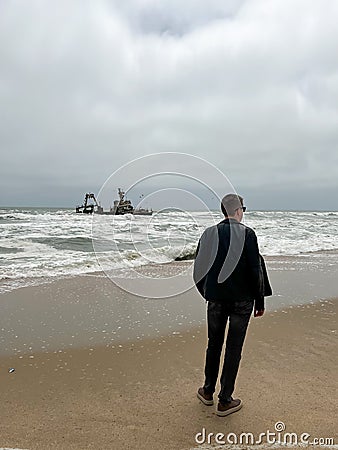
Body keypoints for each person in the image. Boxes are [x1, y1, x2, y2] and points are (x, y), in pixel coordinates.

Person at [193, 193, 272, 416]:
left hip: (215, 299)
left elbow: (198, 269)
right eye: (243, 209)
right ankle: (225, 400)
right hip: (242, 302)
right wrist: (260, 300)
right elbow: (254, 270)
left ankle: (207, 392)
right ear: (238, 210)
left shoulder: (209, 233)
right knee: (233, 349)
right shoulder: (248, 234)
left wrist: (207, 292)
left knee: (214, 344)